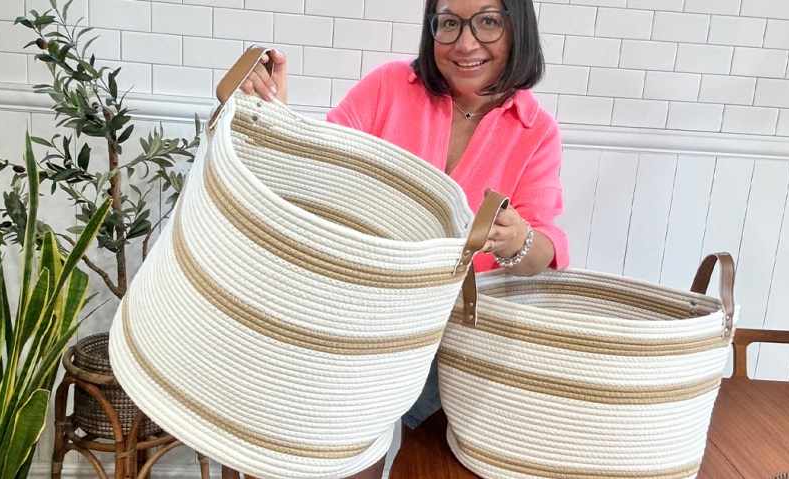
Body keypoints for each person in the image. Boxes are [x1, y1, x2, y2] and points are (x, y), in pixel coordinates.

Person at [243, 0, 570, 475]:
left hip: (446, 336)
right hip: (352, 317)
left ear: (518, 27)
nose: (465, 42)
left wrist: (516, 237)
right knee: (335, 457)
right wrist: (273, 113)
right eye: (450, 23)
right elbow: (319, 172)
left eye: (488, 21)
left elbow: (544, 251)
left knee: (425, 463)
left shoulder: (535, 129)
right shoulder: (391, 85)